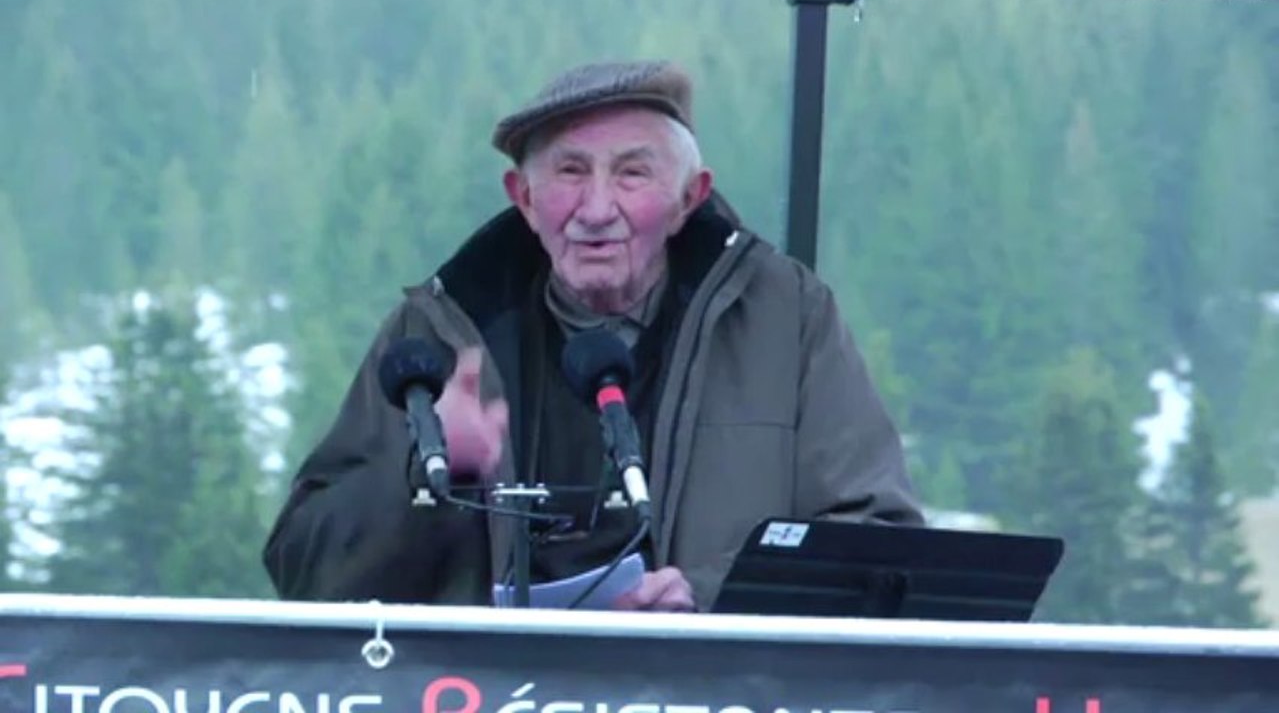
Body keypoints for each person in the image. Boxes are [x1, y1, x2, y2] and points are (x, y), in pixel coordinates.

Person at [262, 60, 924, 612]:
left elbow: (878, 544)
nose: (597, 209)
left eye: (632, 174)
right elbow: (305, 571)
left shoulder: (786, 318)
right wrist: (430, 475)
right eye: (570, 173)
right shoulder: (438, 335)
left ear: (689, 198)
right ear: (522, 197)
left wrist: (708, 595)